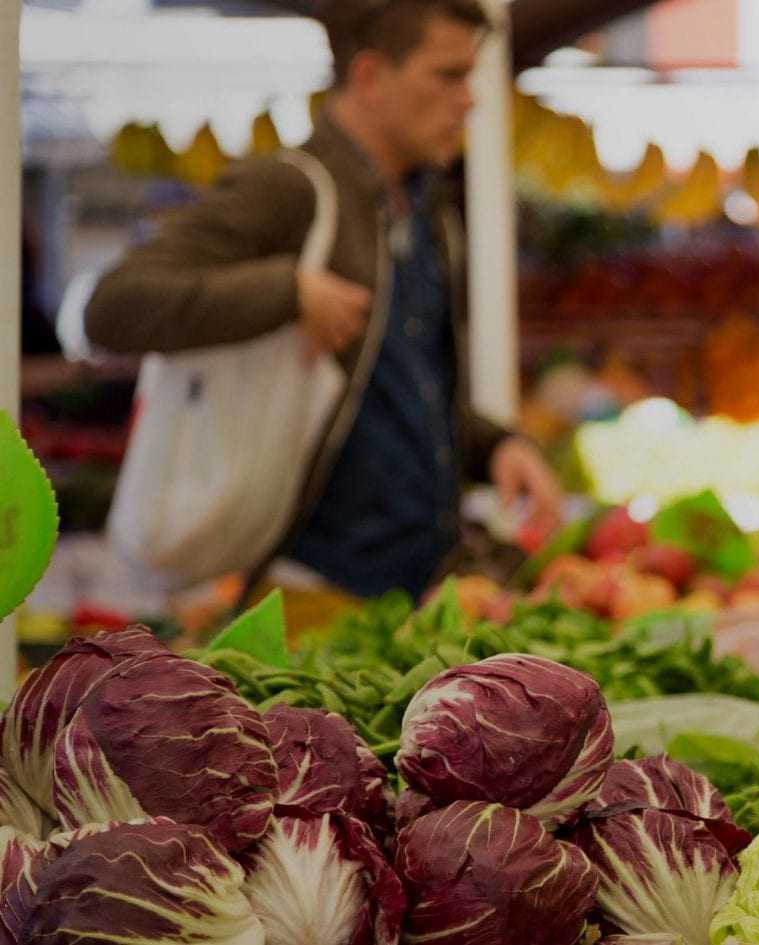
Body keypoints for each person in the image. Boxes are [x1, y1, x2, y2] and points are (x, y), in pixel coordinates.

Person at [85, 0, 563, 603]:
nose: (469, 100)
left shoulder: (426, 214)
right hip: (308, 594)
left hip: (421, 594)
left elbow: (400, 390)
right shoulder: (288, 190)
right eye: (449, 75)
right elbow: (113, 305)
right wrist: (286, 291)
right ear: (368, 76)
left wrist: (497, 445)